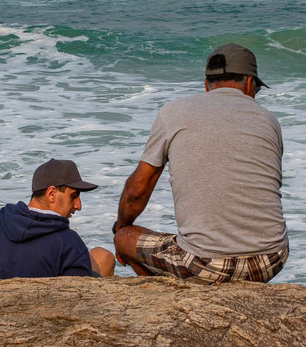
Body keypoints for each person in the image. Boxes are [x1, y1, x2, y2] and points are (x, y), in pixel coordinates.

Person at [112, 43, 288, 283]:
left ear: (207, 85)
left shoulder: (174, 112)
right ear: (249, 84)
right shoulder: (269, 120)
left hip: (204, 264)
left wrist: (122, 226)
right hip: (271, 260)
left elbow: (137, 190)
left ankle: (160, 296)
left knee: (124, 239)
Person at [0, 158, 115, 287]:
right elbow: (78, 298)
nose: (78, 206)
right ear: (51, 193)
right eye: (74, 196)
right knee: (103, 257)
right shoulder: (69, 243)